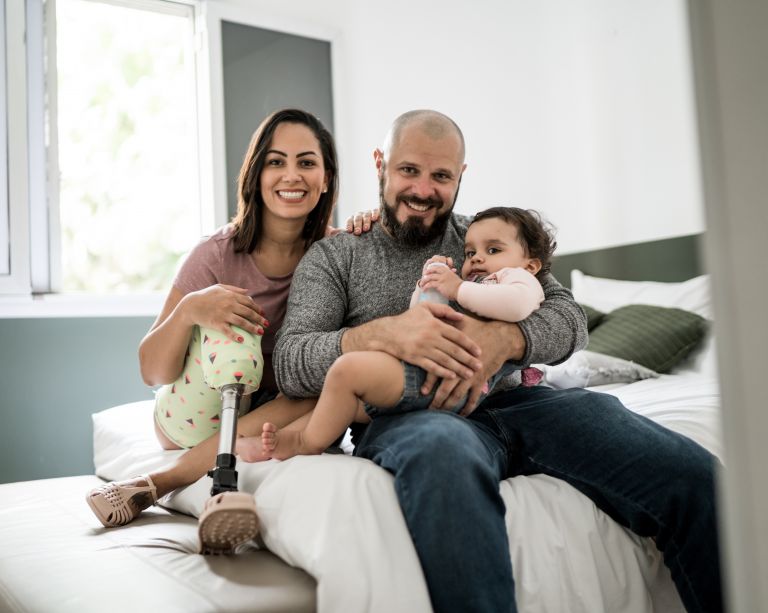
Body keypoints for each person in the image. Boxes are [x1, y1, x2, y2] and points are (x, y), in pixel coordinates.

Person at [270, 109, 723, 612]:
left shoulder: (486, 238)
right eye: (408, 171)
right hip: (417, 416)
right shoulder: (336, 256)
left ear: (461, 176)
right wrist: (386, 334)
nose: (423, 189)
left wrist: (506, 341)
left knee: (696, 478)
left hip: (528, 403)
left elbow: (568, 319)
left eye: (441, 176)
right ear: (380, 164)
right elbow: (292, 360)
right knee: (443, 465)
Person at [85, 108, 377, 553]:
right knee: (235, 319)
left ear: (326, 178)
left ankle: (204, 473)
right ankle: (163, 480)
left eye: (306, 162)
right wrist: (189, 311)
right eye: (276, 161)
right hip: (198, 412)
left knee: (329, 377)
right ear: (256, 174)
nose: (291, 175)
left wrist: (373, 230)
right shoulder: (216, 253)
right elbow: (152, 372)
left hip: (282, 409)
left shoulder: (338, 253)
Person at [248, 206, 552, 461]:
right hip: (431, 377)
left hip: (451, 381)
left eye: (493, 250)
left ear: (532, 264)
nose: (477, 259)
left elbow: (515, 307)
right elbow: (418, 316)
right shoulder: (478, 283)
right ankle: (291, 440)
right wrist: (427, 285)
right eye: (470, 252)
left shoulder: (518, 280)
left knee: (347, 373)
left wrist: (458, 287)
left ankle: (304, 442)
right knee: (348, 405)